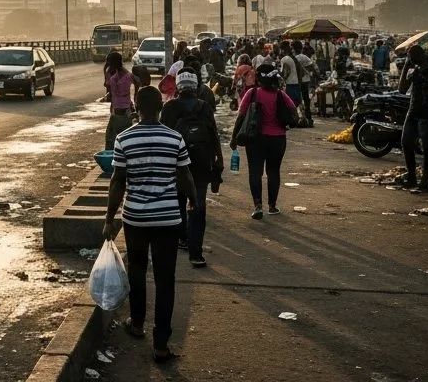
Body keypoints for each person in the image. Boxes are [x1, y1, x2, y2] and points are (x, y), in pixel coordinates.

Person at [103, 85, 195, 365]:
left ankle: (138, 322)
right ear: (160, 108)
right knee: (166, 279)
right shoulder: (175, 138)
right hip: (167, 217)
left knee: (138, 270)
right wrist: (194, 202)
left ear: (136, 108)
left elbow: (118, 180)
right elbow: (185, 176)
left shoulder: (124, 139)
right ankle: (161, 345)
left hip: (136, 218)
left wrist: (110, 218)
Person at [163, 71, 222, 267]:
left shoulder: (170, 107)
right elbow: (214, 135)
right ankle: (196, 253)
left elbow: (163, 137)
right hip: (202, 162)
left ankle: (183, 239)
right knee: (198, 204)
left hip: (177, 163)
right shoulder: (204, 107)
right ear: (196, 87)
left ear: (178, 87)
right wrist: (218, 161)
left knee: (178, 200)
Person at [232, 65, 296, 218]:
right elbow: (294, 112)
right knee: (273, 172)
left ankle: (258, 206)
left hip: (256, 139)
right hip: (278, 139)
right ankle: (272, 206)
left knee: (255, 172)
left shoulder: (252, 93)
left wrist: (234, 138)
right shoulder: (281, 95)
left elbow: (240, 117)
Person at [398, 46, 428, 193]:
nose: (411, 60)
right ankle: (412, 175)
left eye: (411, 57)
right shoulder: (415, 73)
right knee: (406, 143)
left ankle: (424, 180)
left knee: (426, 148)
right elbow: (402, 89)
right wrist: (406, 68)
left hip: (427, 114)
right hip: (413, 112)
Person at [102, 52, 136, 150]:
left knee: (111, 139)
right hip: (122, 109)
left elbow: (107, 86)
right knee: (122, 138)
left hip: (122, 110)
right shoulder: (125, 74)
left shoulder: (120, 75)